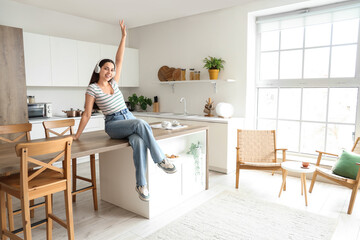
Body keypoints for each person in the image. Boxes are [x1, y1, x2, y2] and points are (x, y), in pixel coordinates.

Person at [73, 20, 176, 202]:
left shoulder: (114, 83)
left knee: (138, 141)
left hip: (127, 118)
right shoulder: (92, 89)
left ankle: (141, 185)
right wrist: (77, 135)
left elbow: (119, 59)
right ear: (99, 70)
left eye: (112, 70)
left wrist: (124, 37)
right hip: (113, 124)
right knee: (140, 123)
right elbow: (87, 114)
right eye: (106, 68)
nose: (110, 72)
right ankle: (160, 159)